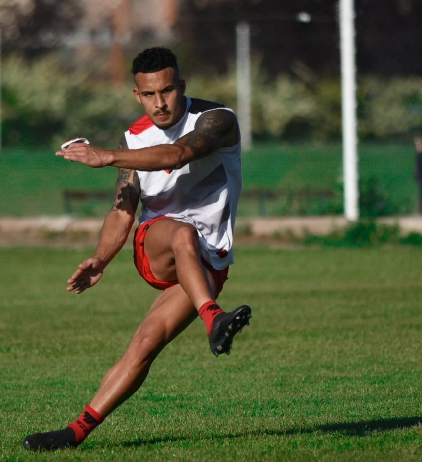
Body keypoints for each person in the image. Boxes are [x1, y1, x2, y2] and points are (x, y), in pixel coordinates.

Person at [23, 46, 251, 451]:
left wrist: (105, 156)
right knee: (181, 232)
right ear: (137, 95)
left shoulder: (217, 120)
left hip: (206, 265)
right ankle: (214, 318)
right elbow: (122, 210)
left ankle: (75, 432)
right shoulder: (134, 139)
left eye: (167, 91)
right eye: (149, 95)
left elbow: (180, 154)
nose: (160, 103)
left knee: (144, 346)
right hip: (158, 250)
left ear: (181, 86)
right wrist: (101, 258)